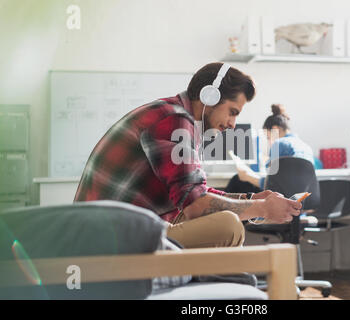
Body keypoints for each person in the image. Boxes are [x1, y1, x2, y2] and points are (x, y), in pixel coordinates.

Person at [74, 62, 302, 249]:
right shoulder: (174, 121)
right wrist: (263, 209)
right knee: (227, 227)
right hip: (111, 241)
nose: (233, 125)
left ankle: (218, 286)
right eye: (232, 112)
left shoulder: (174, 115)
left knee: (222, 221)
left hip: (120, 231)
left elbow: (194, 194)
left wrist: (252, 201)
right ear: (210, 97)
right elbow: (195, 205)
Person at [225, 104, 317, 193]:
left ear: (275, 129)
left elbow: (271, 184)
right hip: (303, 196)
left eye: (268, 137)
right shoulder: (305, 146)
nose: (269, 141)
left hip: (282, 196)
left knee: (237, 180)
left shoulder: (279, 143)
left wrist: (247, 175)